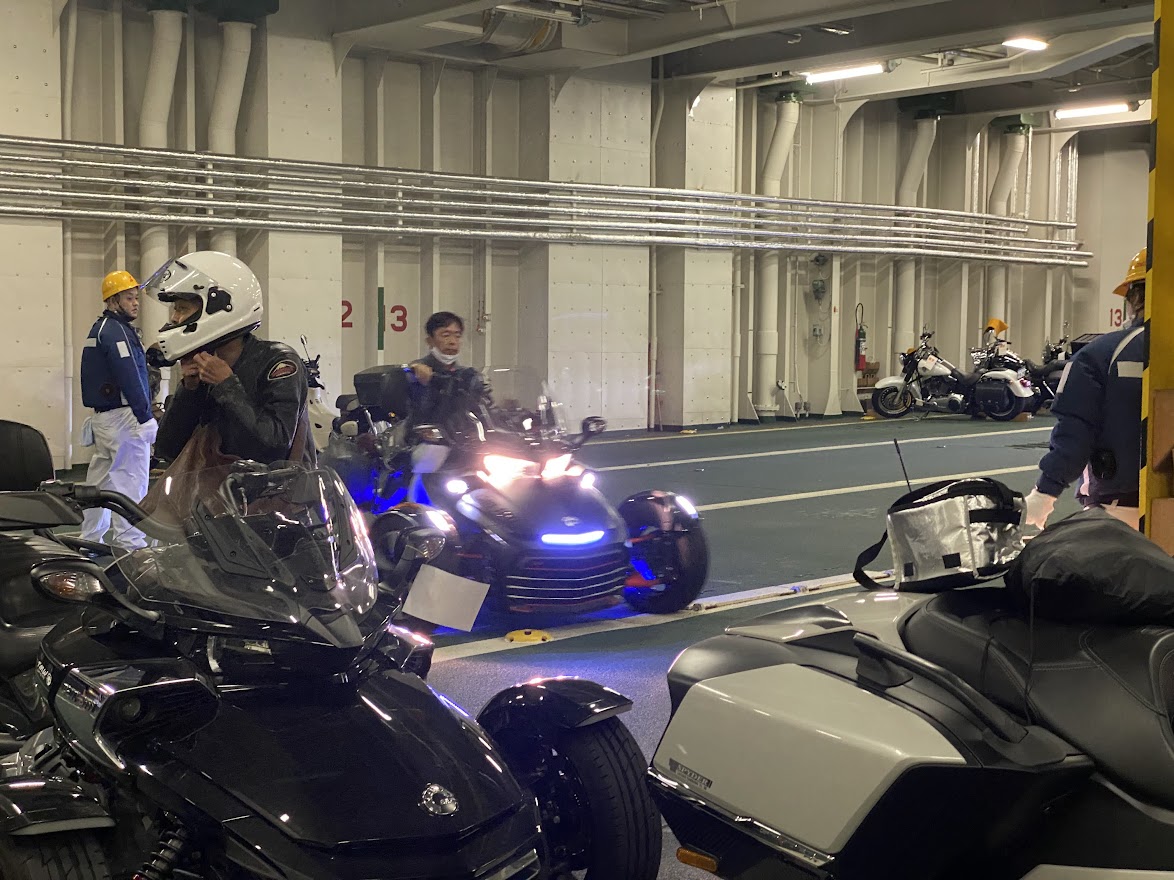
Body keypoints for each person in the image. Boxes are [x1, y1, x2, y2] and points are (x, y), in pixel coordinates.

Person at [145, 251, 315, 469]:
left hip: (277, 487)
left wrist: (227, 385)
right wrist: (190, 390)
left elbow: (275, 447)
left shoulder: (279, 363)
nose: (174, 318)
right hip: (217, 487)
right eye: (175, 309)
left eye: (182, 309)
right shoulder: (204, 365)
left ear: (221, 308)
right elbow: (168, 449)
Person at [1024, 248, 1147, 530]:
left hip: (1118, 510)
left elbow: (1076, 433)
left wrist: (1045, 493)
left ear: (1135, 298)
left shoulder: (1101, 353)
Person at [79, 270, 157, 549]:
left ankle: (90, 539)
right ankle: (131, 545)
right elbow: (130, 375)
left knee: (99, 484)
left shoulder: (102, 328)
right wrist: (145, 416)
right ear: (113, 301)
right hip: (124, 419)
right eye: (129, 298)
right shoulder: (116, 332)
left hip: (105, 419)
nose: (135, 303)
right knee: (131, 481)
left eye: (136, 298)